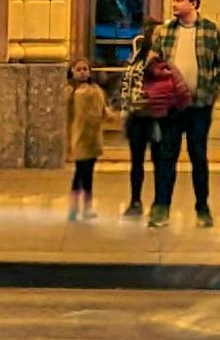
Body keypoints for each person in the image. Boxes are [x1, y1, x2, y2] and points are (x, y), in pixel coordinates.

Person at [145, 0, 220, 228]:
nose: (174, 3)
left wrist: (215, 92)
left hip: (199, 106)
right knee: (166, 157)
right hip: (172, 107)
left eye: (179, 0)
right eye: (173, 0)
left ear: (193, 3)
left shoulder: (212, 31)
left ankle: (202, 207)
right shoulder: (165, 31)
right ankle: (161, 207)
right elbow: (154, 62)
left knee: (198, 156)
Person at [114, 28, 156, 218]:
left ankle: (160, 203)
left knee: (161, 162)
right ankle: (135, 200)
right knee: (136, 161)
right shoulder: (138, 55)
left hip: (156, 115)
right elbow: (127, 83)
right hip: (137, 115)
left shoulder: (167, 57)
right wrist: (124, 109)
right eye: (155, 34)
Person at [64, 59, 108, 217]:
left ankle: (82, 206)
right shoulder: (70, 91)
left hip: (93, 138)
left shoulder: (96, 90)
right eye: (78, 69)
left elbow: (102, 111)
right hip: (79, 137)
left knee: (86, 172)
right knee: (81, 172)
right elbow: (68, 115)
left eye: (85, 69)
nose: (82, 72)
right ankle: (79, 206)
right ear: (72, 72)